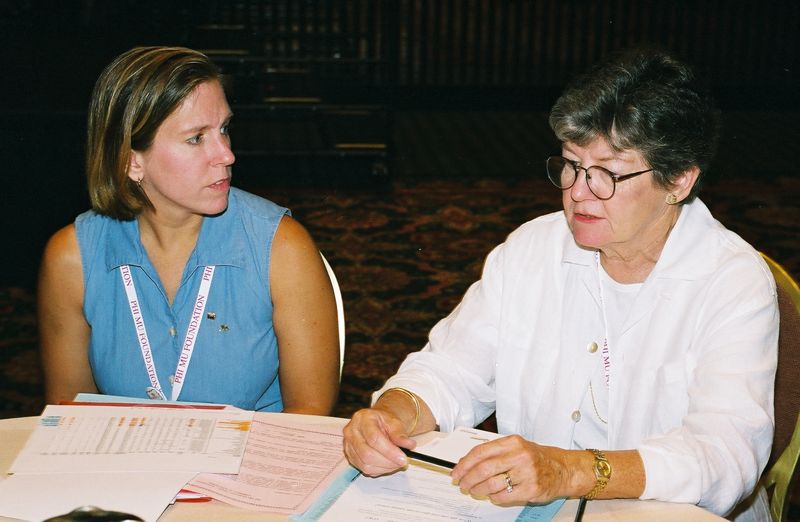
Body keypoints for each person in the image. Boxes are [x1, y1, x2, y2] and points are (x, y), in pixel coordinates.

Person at [342, 47, 778, 519]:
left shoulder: (731, 280)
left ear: (679, 181)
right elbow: (451, 369)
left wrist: (569, 471)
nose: (577, 192)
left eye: (608, 172)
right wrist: (390, 415)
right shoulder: (533, 248)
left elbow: (726, 457)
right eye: (571, 164)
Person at [38, 46, 340, 414]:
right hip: (128, 466)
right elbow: (68, 419)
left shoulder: (282, 247)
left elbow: (308, 421)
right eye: (196, 138)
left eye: (224, 129)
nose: (227, 155)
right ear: (131, 160)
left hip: (250, 464)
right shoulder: (73, 259)